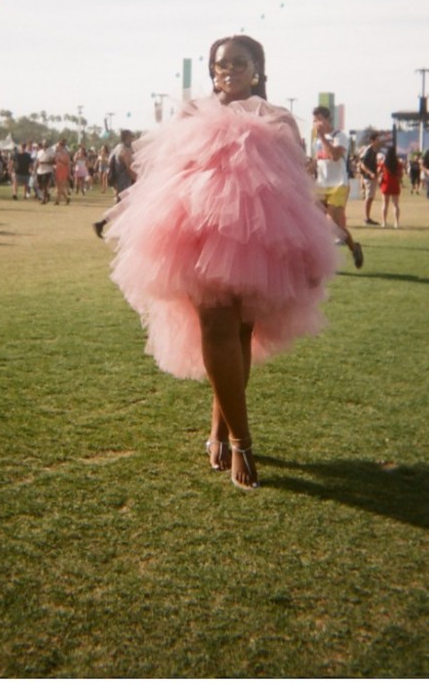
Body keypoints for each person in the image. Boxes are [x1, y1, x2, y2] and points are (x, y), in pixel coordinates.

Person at [104, 35, 339, 491]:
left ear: (257, 69)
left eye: (237, 63)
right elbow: (163, 174)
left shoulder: (277, 118)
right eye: (219, 64)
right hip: (195, 233)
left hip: (260, 239)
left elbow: (294, 185)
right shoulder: (192, 112)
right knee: (215, 325)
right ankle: (242, 441)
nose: (226, 70)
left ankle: (219, 425)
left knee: (242, 332)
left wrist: (316, 242)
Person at [311, 106, 364, 269]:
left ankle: (353, 247)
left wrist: (322, 136)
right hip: (321, 185)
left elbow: (334, 156)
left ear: (328, 119)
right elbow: (315, 163)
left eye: (319, 119)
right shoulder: (316, 141)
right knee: (315, 223)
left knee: (332, 223)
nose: (317, 124)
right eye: (314, 120)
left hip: (338, 184)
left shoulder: (339, 136)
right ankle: (350, 248)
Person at [357, 132, 381, 225]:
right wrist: (370, 173)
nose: (379, 141)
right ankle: (366, 218)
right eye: (377, 139)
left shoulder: (373, 151)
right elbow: (363, 164)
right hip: (368, 177)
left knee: (370, 197)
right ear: (372, 140)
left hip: (372, 177)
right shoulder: (369, 150)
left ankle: (368, 217)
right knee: (369, 197)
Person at [378, 147, 402, 228]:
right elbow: (400, 174)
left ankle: (384, 222)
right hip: (395, 184)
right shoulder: (398, 163)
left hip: (386, 184)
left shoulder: (383, 163)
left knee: (384, 204)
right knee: (396, 205)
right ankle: (396, 223)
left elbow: (378, 171)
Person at [54, 138, 71, 205]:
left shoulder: (65, 153)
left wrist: (69, 172)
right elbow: (55, 161)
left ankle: (57, 200)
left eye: (58, 145)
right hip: (57, 169)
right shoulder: (56, 153)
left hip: (63, 170)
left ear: (62, 146)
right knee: (58, 186)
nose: (57, 146)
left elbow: (68, 163)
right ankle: (66, 198)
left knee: (61, 186)